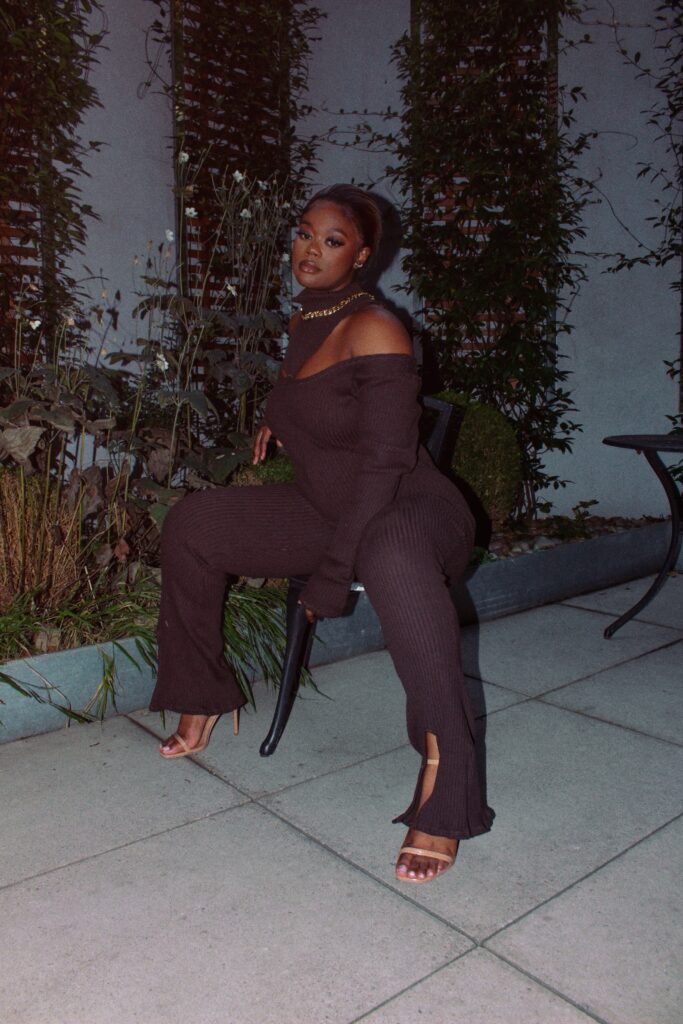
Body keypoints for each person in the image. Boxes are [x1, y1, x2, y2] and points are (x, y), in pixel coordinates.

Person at [149, 184, 493, 883]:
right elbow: (318, 394)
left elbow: (386, 463)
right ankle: (202, 692)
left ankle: (447, 775)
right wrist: (278, 420)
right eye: (304, 233)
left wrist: (335, 573)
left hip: (410, 510)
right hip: (330, 506)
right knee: (192, 524)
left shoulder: (376, 326)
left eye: (332, 241)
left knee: (390, 553)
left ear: (361, 256)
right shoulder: (309, 314)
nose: (311, 249)